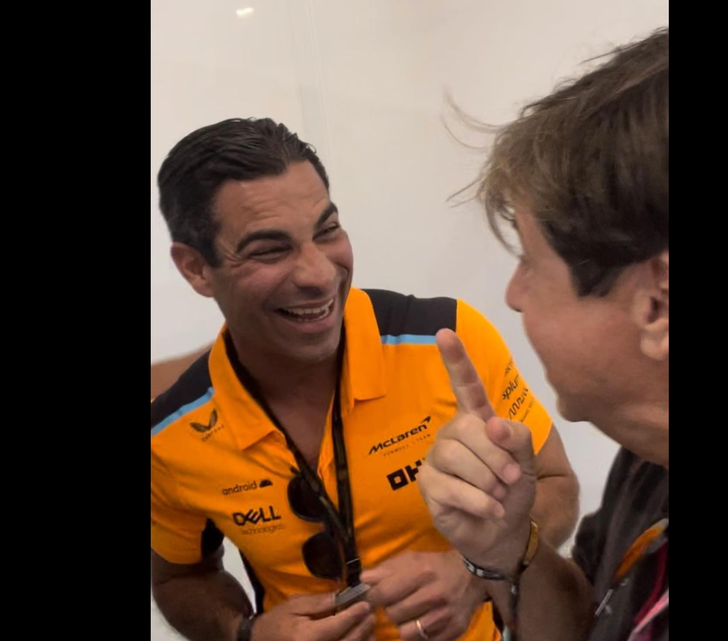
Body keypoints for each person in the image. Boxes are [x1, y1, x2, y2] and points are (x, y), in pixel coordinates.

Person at [149, 117, 580, 641]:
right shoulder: (170, 432)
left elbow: (557, 485)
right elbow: (180, 576)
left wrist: (478, 569)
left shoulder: (449, 339)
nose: (319, 274)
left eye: (327, 231)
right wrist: (245, 633)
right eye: (269, 249)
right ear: (196, 268)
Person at [417, 28, 670, 641]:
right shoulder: (649, 461)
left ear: (657, 304)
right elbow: (592, 622)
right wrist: (507, 551)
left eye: (531, 259)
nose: (513, 293)